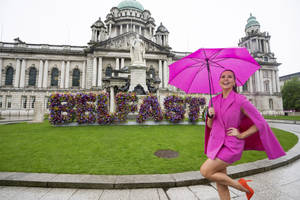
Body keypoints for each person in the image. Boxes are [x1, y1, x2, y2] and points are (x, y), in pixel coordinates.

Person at [200, 70, 286, 200]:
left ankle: (243, 187)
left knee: (205, 171)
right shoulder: (213, 100)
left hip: (230, 146)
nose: (226, 79)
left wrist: (242, 135)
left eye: (229, 77)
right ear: (219, 81)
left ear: (234, 82)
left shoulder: (240, 101)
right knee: (221, 182)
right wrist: (210, 116)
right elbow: (211, 125)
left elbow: (260, 122)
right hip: (215, 144)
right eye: (223, 77)